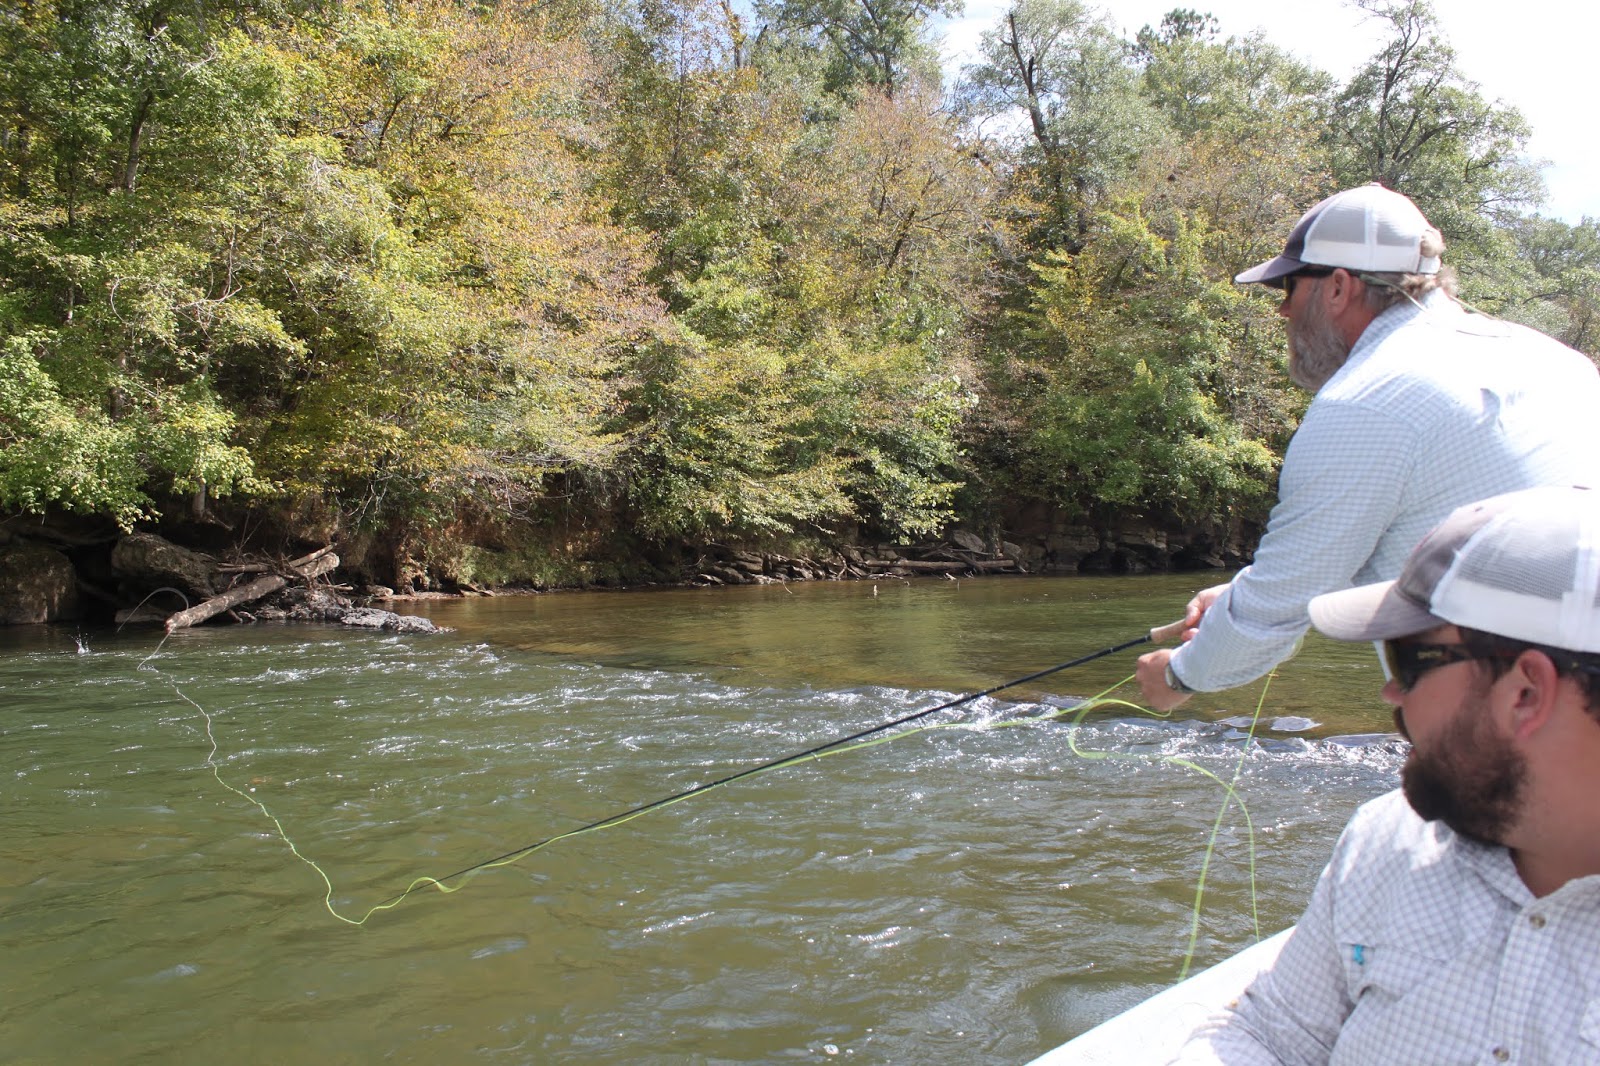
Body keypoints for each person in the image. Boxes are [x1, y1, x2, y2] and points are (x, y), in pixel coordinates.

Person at [1172, 484, 1600, 1064]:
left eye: (1408, 659)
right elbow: (1271, 1035)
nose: (1390, 690)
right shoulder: (1389, 835)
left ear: (1525, 693)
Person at [1135, 183, 1600, 711]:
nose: (1284, 312)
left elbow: (1275, 612)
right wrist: (1241, 593)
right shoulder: (1557, 360)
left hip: (1517, 731)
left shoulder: (1365, 401)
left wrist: (1180, 676)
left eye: (1288, 288)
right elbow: (1423, 529)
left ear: (1337, 287)